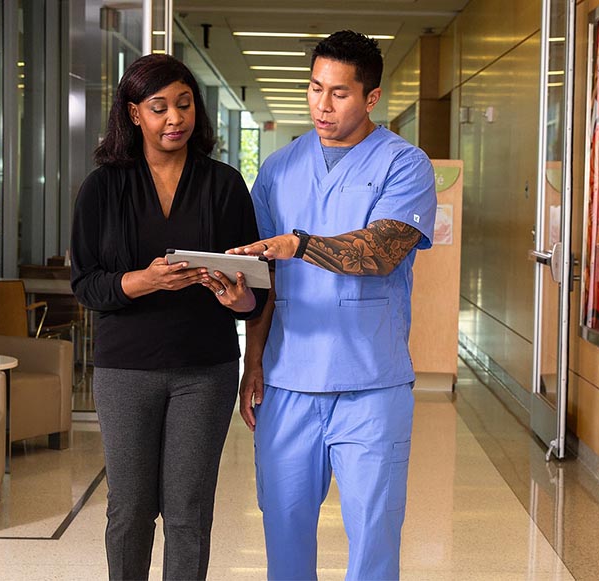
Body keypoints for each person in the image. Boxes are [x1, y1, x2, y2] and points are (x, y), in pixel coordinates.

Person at [229, 30, 437, 580]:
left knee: (373, 536)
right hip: (288, 380)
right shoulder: (278, 169)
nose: (323, 105)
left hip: (371, 384)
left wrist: (300, 244)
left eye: (340, 93)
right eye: (315, 88)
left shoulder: (404, 163)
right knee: (284, 531)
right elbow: (266, 279)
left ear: (371, 98)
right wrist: (253, 362)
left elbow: (383, 251)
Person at [70, 54, 267, 581]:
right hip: (125, 369)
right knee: (130, 508)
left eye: (184, 104)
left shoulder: (224, 184)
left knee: (188, 512)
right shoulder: (102, 187)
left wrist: (238, 300)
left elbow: (257, 289)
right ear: (134, 113)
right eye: (159, 108)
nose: (175, 118)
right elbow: (86, 285)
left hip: (205, 369)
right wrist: (145, 280)